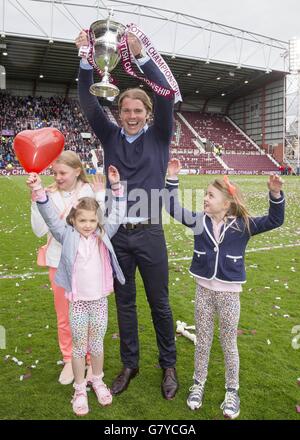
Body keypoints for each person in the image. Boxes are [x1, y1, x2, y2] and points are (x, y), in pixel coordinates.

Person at [75, 30, 178, 399]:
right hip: (116, 234)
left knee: (160, 303)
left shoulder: (160, 134)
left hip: (150, 232)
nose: (131, 116)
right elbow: (88, 105)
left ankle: (168, 365)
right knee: (125, 302)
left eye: (138, 111)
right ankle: (129, 364)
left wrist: (142, 58)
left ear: (148, 115)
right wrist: (86, 59)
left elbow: (166, 93)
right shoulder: (110, 136)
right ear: (118, 113)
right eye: (126, 111)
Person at [165, 159, 285, 419]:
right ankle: (198, 383)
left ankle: (232, 390)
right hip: (203, 291)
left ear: (227, 203)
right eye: (206, 194)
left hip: (229, 293)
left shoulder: (243, 225)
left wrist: (275, 194)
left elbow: (276, 220)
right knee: (204, 340)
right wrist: (172, 178)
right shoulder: (199, 221)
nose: (205, 199)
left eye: (210, 195)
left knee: (228, 342)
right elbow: (173, 207)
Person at [26, 166, 126, 416]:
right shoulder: (66, 236)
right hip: (79, 303)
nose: (89, 225)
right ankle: (80, 388)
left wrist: (116, 188)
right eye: (83, 220)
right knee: (80, 348)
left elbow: (118, 213)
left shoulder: (104, 234)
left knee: (98, 345)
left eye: (93, 220)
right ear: (73, 220)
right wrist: (38, 190)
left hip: (99, 302)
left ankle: (98, 380)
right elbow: (49, 216)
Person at [30, 150, 105, 385]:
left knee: (92, 316)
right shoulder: (47, 194)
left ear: (77, 171)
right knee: (64, 317)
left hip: (88, 264)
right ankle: (69, 361)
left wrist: (102, 196)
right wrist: (36, 202)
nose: (58, 177)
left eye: (62, 173)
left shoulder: (88, 191)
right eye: (55, 173)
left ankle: (91, 362)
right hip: (58, 261)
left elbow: (102, 224)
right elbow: (39, 231)